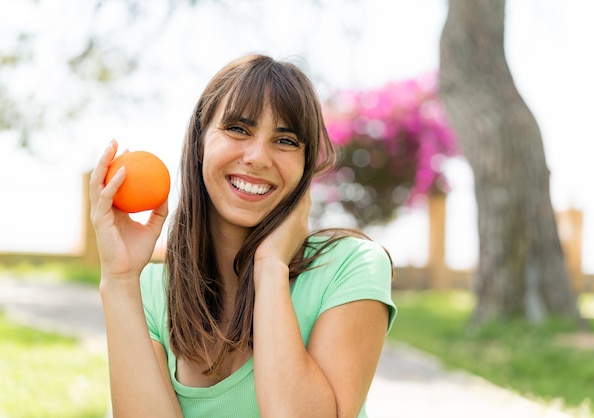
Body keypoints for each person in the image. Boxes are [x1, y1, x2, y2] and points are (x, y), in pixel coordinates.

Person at [90, 54, 397, 418]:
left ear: (305, 164)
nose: (258, 157)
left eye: (285, 140)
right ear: (200, 141)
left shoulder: (349, 267)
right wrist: (120, 279)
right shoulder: (153, 288)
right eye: (238, 129)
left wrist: (270, 267)